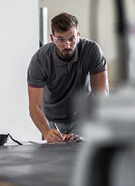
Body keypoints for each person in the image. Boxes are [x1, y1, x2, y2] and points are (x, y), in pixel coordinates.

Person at [27, 12, 108, 143]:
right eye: (61, 39)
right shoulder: (40, 60)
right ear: (52, 38)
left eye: (72, 38)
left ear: (78, 36)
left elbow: (101, 95)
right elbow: (35, 106)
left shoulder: (92, 50)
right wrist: (47, 132)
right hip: (52, 120)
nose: (67, 45)